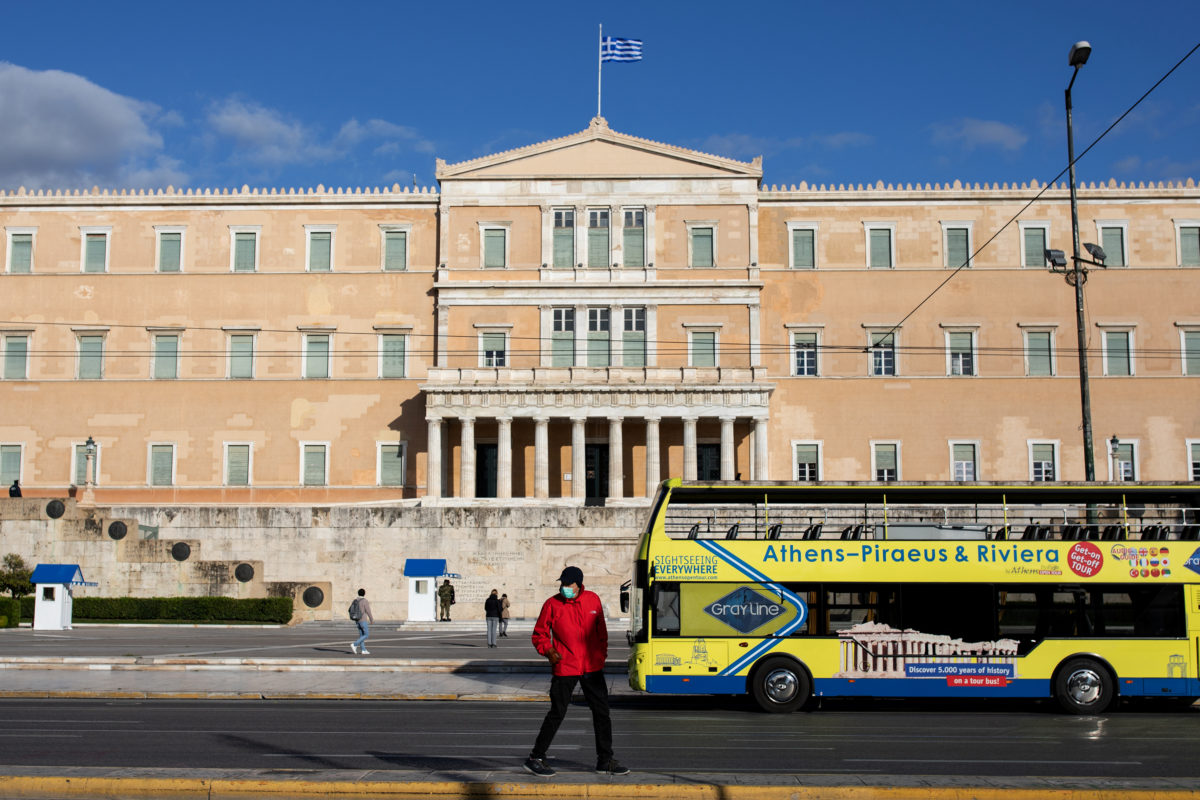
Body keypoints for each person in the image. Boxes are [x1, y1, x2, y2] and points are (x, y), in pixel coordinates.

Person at [523, 566, 628, 778]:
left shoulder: (593, 600)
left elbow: (601, 631)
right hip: (565, 666)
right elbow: (539, 634)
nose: (564, 587)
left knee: (602, 713)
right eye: (562, 584)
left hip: (592, 667)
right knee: (557, 712)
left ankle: (605, 760)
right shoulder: (552, 604)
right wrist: (549, 651)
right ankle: (536, 758)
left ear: (578, 585)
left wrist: (601, 655)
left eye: (568, 584)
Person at [350, 588, 374, 655]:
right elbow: (368, 611)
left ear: (358, 593)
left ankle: (363, 650)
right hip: (363, 620)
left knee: (361, 636)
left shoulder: (355, 600)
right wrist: (371, 619)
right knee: (366, 635)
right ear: (364, 594)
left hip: (357, 620)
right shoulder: (364, 601)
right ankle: (355, 644)